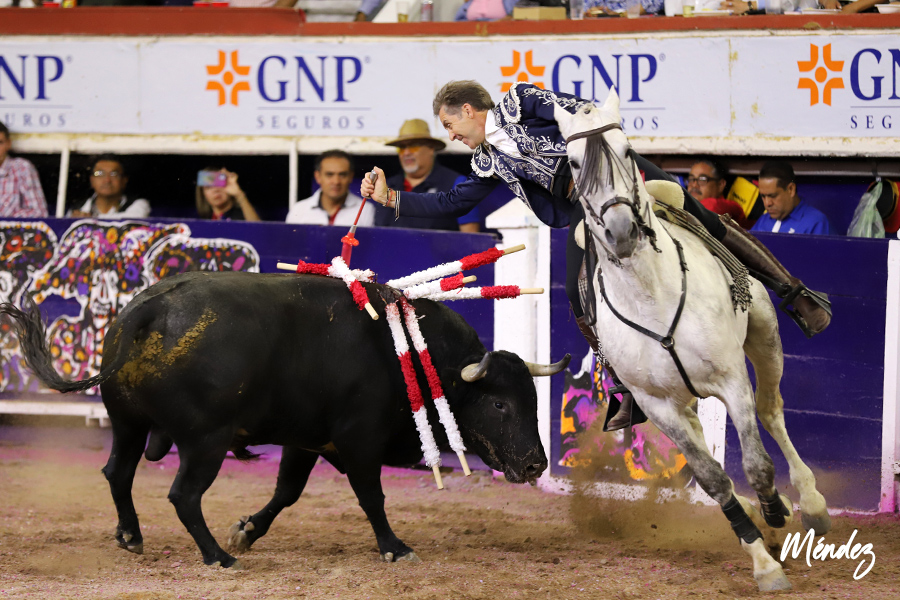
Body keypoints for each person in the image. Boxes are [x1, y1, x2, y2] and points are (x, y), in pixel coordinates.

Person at [361, 80, 832, 430]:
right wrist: (392, 198)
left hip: (615, 177)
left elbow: (581, 112)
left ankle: (795, 293)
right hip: (580, 207)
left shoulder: (519, 101)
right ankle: (625, 383)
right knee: (577, 291)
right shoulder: (486, 160)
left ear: (468, 110)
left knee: (705, 220)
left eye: (449, 125)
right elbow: (452, 202)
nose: (451, 136)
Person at [377, 119, 480, 232]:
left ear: (431, 148)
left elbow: (470, 236)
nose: (406, 153)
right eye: (401, 148)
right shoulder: (387, 186)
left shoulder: (457, 184)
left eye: (413, 146)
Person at [286, 150, 375, 227]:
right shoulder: (299, 209)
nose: (336, 181)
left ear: (351, 176)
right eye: (329, 174)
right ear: (317, 176)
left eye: (342, 175)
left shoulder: (366, 210)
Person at [751, 161, 831, 236]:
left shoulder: (816, 223)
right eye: (763, 196)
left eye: (773, 196)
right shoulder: (763, 220)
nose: (767, 203)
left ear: (791, 189)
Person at [69, 155, 151, 219]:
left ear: (124, 180)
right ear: (92, 180)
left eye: (114, 174)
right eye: (100, 173)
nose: (107, 180)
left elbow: (131, 221)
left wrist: (86, 221)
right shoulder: (78, 208)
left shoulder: (138, 205)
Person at [0, 121, 49, 219]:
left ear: (8, 144)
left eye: (0, 143)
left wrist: (7, 220)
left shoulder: (21, 168)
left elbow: (39, 212)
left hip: (12, 229)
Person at [686, 158, 751, 229]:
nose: (694, 185)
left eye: (702, 179)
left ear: (720, 184)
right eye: (691, 179)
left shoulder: (720, 206)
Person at [195, 168, 261, 222]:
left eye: (219, 184)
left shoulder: (246, 214)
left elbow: (257, 229)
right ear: (203, 193)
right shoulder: (202, 220)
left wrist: (239, 194)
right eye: (208, 187)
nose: (215, 190)